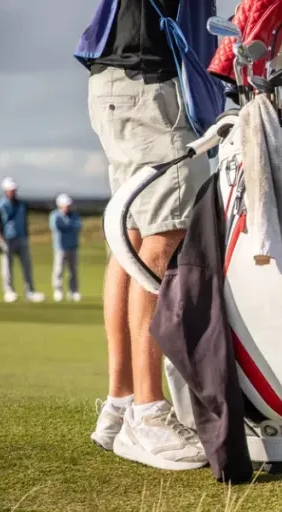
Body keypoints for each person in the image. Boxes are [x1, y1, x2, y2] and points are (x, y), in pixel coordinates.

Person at [74, 0, 216, 469]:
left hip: (118, 83)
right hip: (152, 86)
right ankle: (148, 412)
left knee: (130, 240)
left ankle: (122, 402)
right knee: (162, 240)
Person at [0, 177, 45, 304]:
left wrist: (27, 236)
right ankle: (9, 291)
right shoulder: (0, 204)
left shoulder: (22, 204)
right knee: (7, 267)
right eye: (11, 190)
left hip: (21, 238)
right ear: (5, 190)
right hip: (7, 239)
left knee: (27, 265)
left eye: (14, 190)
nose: (13, 192)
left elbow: (24, 221)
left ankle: (30, 292)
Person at [49, 194, 83, 303]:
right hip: (60, 247)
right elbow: (57, 227)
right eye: (66, 205)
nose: (68, 207)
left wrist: (68, 226)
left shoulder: (74, 215)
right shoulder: (55, 216)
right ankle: (58, 290)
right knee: (59, 270)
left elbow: (78, 226)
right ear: (60, 205)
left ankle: (73, 291)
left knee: (73, 270)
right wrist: (70, 226)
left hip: (73, 246)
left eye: (69, 205)